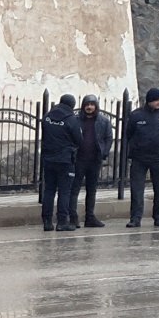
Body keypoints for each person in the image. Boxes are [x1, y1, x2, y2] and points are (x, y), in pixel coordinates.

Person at [125, 87, 159, 229]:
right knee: (137, 189)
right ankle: (135, 218)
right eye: (156, 100)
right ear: (149, 101)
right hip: (139, 158)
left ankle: (158, 217)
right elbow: (129, 134)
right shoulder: (136, 115)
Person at [39, 93, 82, 231]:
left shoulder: (47, 117)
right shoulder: (71, 120)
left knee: (49, 190)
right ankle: (62, 221)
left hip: (48, 158)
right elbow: (79, 140)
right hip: (65, 159)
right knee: (64, 191)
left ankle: (47, 221)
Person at [72, 95, 114, 228]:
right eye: (87, 104)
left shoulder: (103, 121)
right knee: (74, 189)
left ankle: (90, 216)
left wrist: (104, 152)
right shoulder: (76, 120)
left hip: (94, 160)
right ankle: (73, 217)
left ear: (96, 106)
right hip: (79, 160)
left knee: (92, 189)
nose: (89, 107)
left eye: (92, 104)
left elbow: (108, 138)